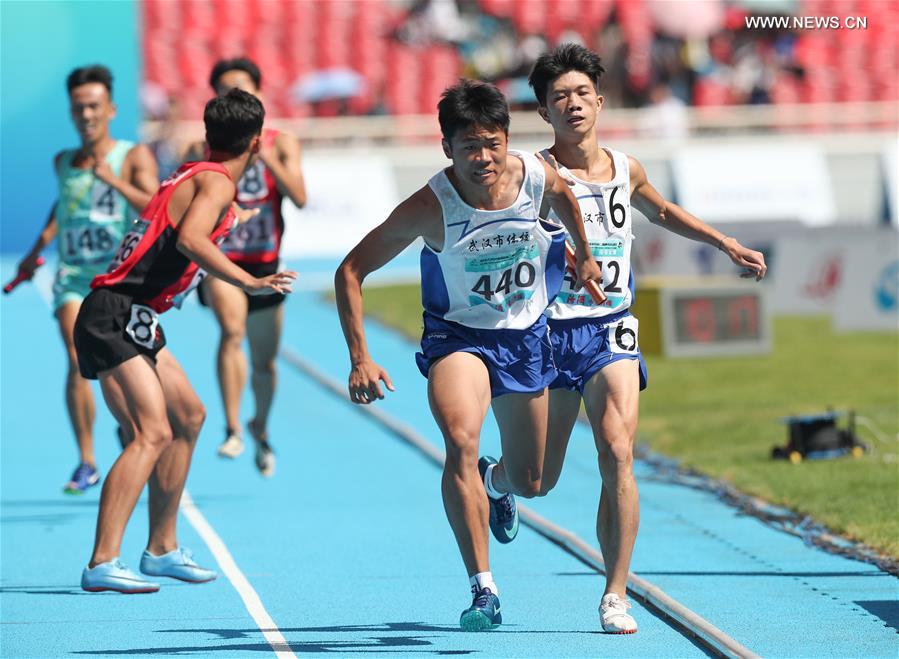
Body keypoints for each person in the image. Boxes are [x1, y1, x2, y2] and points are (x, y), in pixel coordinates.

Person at [486, 43, 768, 634]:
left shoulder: (625, 166)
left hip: (610, 327)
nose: (573, 104)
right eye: (559, 96)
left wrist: (724, 243)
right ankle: (497, 480)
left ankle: (615, 593)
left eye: (582, 94)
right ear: (544, 110)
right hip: (548, 332)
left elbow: (661, 211)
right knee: (540, 479)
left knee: (617, 452)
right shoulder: (531, 173)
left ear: (600, 101)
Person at [334, 79, 602, 630]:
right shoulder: (431, 206)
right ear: (446, 149)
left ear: (507, 139)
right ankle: (483, 588)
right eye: (468, 147)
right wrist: (360, 356)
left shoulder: (534, 176)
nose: (482, 158)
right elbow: (351, 271)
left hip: (526, 337)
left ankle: (496, 484)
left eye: (492, 143)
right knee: (459, 438)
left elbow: (566, 198)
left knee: (534, 481)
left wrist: (586, 257)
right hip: (458, 337)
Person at [74, 89, 297, 593]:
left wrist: (224, 221)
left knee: (189, 416)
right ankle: (101, 562)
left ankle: (161, 548)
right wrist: (249, 281)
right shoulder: (215, 183)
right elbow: (190, 240)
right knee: (150, 433)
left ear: (207, 135)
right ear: (257, 143)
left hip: (137, 318)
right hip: (114, 313)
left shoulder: (193, 175)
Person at [15, 65, 158, 494]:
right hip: (75, 280)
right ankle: (87, 459)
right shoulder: (64, 161)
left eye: (94, 106)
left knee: (129, 362)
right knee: (78, 355)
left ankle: (128, 429)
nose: (87, 115)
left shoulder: (132, 157)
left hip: (120, 281)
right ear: (71, 113)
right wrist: (32, 254)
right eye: (79, 108)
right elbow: (65, 210)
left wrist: (112, 181)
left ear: (111, 109)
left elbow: (155, 205)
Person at [188, 57, 307, 477]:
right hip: (222, 262)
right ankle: (233, 426)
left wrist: (264, 153)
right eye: (224, 91)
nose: (233, 97)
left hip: (267, 263)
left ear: (259, 93)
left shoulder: (282, 142)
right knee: (231, 329)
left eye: (241, 89)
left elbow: (299, 196)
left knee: (264, 363)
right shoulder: (201, 148)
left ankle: (260, 424)